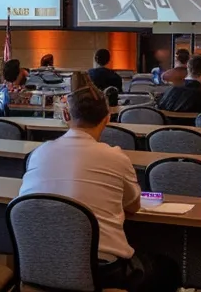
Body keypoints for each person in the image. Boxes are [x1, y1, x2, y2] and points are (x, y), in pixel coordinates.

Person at [19, 72, 176, 292]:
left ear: (67, 116)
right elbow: (133, 205)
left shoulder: (38, 153)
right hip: (99, 271)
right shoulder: (116, 157)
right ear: (107, 118)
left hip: (38, 265)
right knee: (167, 268)